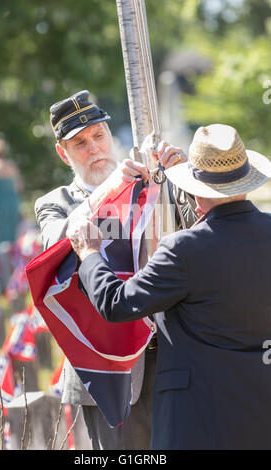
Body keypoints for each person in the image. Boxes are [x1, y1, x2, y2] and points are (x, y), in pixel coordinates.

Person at [69, 123, 271, 450]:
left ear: (194, 189)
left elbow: (117, 303)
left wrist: (90, 254)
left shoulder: (184, 249)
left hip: (197, 418)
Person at [34, 89, 196, 450]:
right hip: (108, 372)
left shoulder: (152, 183)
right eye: (80, 143)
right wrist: (111, 189)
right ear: (63, 153)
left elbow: (199, 233)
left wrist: (187, 179)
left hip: (174, 358)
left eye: (98, 136)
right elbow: (57, 245)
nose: (94, 148)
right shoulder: (55, 203)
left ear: (110, 134)